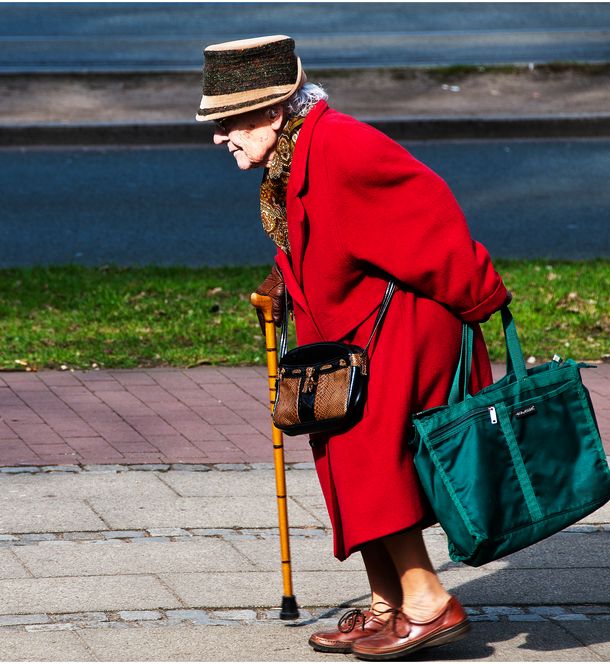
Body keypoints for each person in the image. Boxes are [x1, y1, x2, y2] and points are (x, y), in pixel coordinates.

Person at [196, 36, 512, 661]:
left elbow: (429, 219)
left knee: (369, 457)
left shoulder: (343, 145)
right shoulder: (293, 151)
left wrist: (481, 301)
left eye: (228, 121)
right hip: (347, 335)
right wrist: (283, 280)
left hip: (400, 328)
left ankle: (427, 603)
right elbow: (336, 233)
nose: (219, 137)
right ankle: (383, 603)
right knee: (340, 450)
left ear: (271, 112)